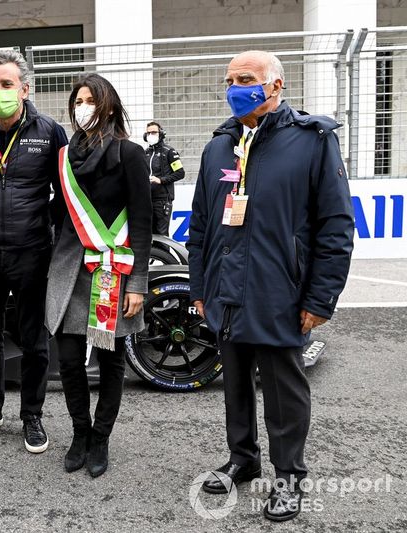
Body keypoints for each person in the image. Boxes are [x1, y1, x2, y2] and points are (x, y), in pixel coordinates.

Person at [187, 50, 354, 521]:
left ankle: (289, 477)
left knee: (283, 390)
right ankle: (243, 458)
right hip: (226, 293)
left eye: (246, 78)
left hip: (280, 292)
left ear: (275, 86)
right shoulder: (219, 145)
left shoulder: (312, 142)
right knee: (234, 384)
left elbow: (336, 226)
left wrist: (321, 297)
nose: (235, 86)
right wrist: (200, 288)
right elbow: (200, 225)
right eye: (230, 79)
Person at [0, 50, 68, 453]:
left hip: (32, 251)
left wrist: (42, 225)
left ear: (25, 87)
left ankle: (32, 415)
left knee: (33, 339)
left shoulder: (50, 131)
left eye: (6, 84)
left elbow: (66, 191)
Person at [46, 73, 152, 477]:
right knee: (70, 362)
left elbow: (142, 222)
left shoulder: (130, 153)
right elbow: (59, 214)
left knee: (110, 362)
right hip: (70, 272)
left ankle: (101, 437)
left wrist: (138, 284)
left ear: (108, 104)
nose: (82, 107)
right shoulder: (65, 154)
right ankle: (79, 432)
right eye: (77, 101)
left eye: (90, 100)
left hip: (112, 272)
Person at [143, 121, 184, 235]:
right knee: (149, 236)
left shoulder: (169, 152)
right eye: (148, 133)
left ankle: (164, 254)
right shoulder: (145, 153)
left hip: (162, 200)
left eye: (154, 132)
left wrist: (161, 180)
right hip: (147, 200)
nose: (151, 135)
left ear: (161, 133)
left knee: (162, 236)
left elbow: (180, 173)